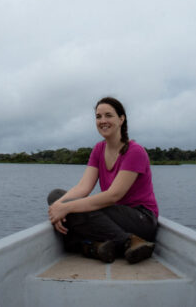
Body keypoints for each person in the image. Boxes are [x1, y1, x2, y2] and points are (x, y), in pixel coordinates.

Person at [47, 96, 159, 264]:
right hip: (113, 215)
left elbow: (113, 195)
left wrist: (68, 207)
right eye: (98, 117)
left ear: (121, 119)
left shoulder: (135, 151)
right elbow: (83, 187)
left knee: (79, 209)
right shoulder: (99, 149)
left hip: (141, 219)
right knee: (55, 195)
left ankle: (129, 241)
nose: (103, 121)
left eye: (108, 115)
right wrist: (58, 206)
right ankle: (100, 245)